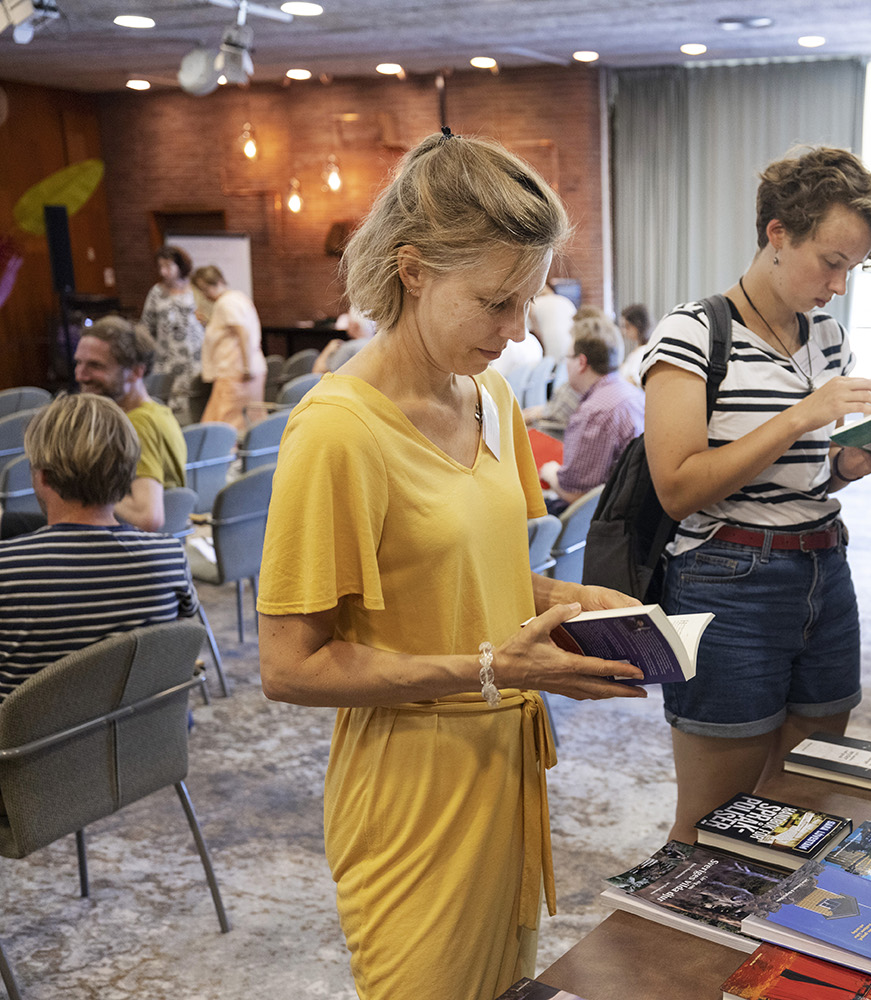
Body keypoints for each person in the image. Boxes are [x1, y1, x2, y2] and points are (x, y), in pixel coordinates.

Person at [255, 128, 647, 1000]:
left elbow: (480, 573)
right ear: (414, 270)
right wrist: (486, 668)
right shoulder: (337, 432)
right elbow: (288, 666)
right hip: (411, 789)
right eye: (496, 303)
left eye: (528, 303)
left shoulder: (494, 399)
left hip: (502, 763)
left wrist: (574, 600)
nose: (515, 335)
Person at [640, 146, 871, 844]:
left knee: (805, 796)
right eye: (831, 261)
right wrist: (799, 417)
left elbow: (801, 474)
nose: (838, 285)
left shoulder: (826, 335)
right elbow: (675, 487)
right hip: (727, 579)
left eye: (852, 268)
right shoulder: (694, 333)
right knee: (711, 818)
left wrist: (849, 462)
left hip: (823, 568)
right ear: (777, 232)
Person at [0, 394, 198, 703]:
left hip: (34, 750)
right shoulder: (169, 557)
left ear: (43, 478)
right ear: (128, 472)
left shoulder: (8, 571)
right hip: (141, 742)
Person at [70, 316, 187, 533]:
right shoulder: (158, 411)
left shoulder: (135, 425)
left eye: (95, 365)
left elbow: (148, 517)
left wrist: (90, 489)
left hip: (139, 551)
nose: (80, 375)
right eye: (78, 362)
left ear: (136, 371)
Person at [539, 314, 644, 511]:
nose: (566, 364)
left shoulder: (594, 412)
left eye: (567, 358)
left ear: (581, 362)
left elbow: (576, 495)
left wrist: (550, 471)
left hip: (607, 515)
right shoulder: (633, 393)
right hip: (633, 510)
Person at [190, 264, 268, 431]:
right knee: (249, 420)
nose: (204, 295)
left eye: (205, 289)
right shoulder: (238, 297)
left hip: (236, 371)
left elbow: (242, 333)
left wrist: (246, 367)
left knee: (226, 424)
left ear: (216, 282)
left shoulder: (226, 304)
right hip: (246, 368)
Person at [139, 244, 204, 421]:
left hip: (194, 358)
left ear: (180, 266)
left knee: (194, 404)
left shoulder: (196, 289)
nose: (164, 271)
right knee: (169, 407)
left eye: (168, 266)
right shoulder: (157, 292)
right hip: (167, 359)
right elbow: (146, 326)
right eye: (160, 267)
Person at [312, 304, 377, 374]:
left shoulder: (347, 348)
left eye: (348, 322)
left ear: (355, 325)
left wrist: (327, 351)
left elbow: (317, 373)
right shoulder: (376, 347)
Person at [527, 280, 577, 358]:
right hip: (570, 348)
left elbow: (527, 331)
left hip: (551, 348)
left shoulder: (534, 304)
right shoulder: (564, 300)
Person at [617, 302, 653, 387]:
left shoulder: (642, 351)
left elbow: (632, 382)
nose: (624, 331)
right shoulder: (639, 349)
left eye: (627, 326)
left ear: (638, 325)